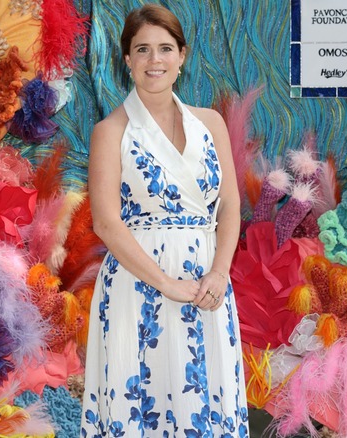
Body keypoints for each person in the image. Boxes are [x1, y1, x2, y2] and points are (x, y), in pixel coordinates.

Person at [80, 4, 248, 436]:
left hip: (208, 287)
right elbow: (105, 223)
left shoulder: (211, 123)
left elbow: (229, 205)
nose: (155, 60)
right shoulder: (110, 131)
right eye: (142, 49)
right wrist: (168, 285)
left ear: (182, 56)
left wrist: (219, 273)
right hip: (139, 290)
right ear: (127, 61)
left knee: (206, 405)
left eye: (165, 49)